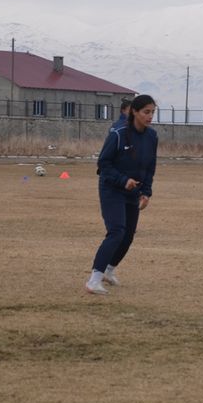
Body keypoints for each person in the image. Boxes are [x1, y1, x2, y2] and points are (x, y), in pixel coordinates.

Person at [85, 95, 158, 295]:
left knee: (128, 236)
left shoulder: (152, 136)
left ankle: (109, 271)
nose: (150, 116)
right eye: (146, 112)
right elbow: (103, 164)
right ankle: (94, 280)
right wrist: (123, 180)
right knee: (116, 231)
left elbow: (150, 167)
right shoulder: (118, 133)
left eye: (152, 112)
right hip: (111, 188)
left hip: (133, 191)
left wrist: (146, 192)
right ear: (134, 111)